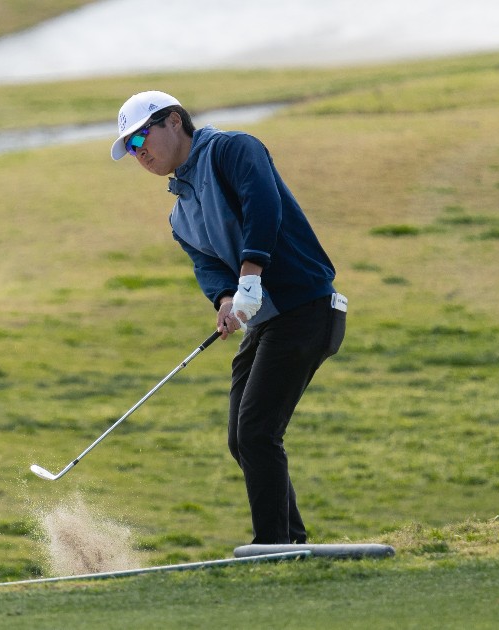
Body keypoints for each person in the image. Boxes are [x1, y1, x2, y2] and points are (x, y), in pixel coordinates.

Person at [110, 90, 347, 545]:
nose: (140, 154)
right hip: (268, 321)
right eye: (132, 148)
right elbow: (208, 265)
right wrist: (224, 298)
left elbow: (263, 205)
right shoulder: (180, 215)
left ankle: (273, 545)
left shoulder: (233, 149)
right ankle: (290, 541)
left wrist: (251, 275)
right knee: (243, 439)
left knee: (258, 431)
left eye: (142, 138)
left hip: (307, 308)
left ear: (174, 121)